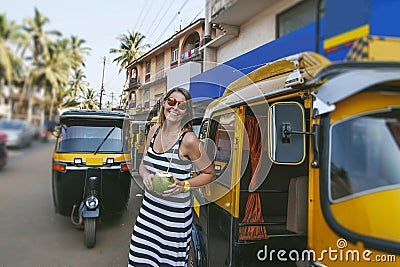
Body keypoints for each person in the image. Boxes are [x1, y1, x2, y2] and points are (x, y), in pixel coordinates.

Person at [128, 87, 216, 266]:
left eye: (181, 105)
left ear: (186, 112)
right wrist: (145, 176)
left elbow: (209, 174)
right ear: (163, 104)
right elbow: (144, 164)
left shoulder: (189, 140)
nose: (175, 108)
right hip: (148, 214)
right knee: (138, 260)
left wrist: (183, 185)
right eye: (171, 102)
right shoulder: (153, 131)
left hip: (173, 221)